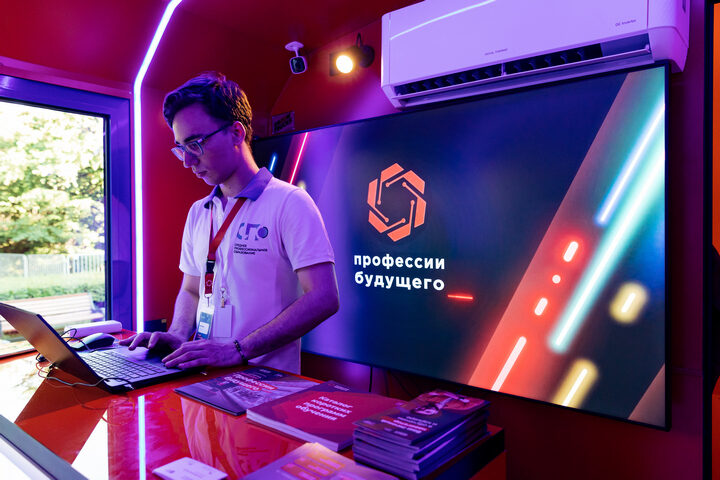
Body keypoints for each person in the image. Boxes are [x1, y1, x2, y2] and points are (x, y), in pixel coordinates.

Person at [120, 72, 339, 374]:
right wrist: (178, 334)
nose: (187, 161)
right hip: (202, 376)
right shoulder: (199, 211)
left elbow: (323, 297)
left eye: (195, 144)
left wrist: (238, 350)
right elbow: (192, 289)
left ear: (236, 133)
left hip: (266, 385)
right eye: (181, 148)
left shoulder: (290, 202)